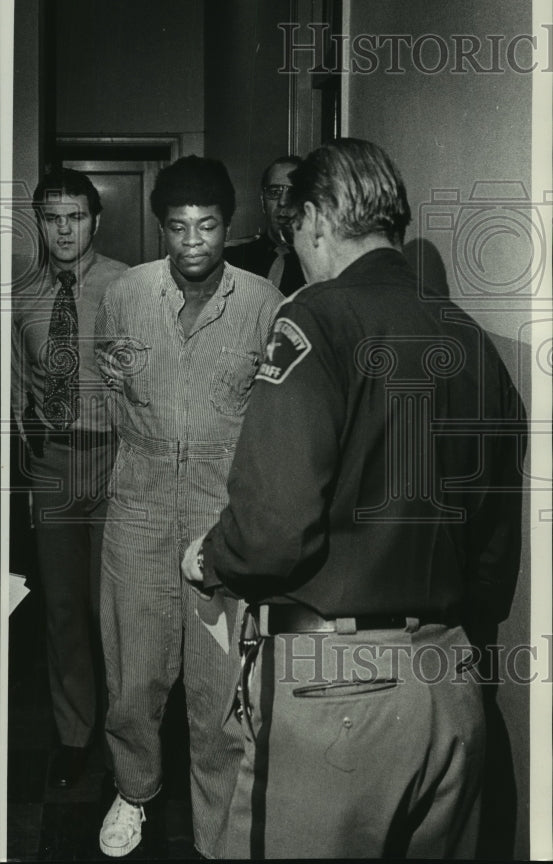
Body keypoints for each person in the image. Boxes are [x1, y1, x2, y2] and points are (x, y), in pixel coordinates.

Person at [182, 139, 527, 859]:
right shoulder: (473, 342)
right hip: (451, 686)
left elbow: (271, 533)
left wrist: (209, 559)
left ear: (312, 220)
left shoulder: (314, 322)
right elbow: (494, 554)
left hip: (337, 693)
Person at [94, 155, 283, 859]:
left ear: (228, 226)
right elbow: (115, 392)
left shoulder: (265, 301)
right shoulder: (125, 294)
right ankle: (134, 790)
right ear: (160, 229)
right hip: (138, 503)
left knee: (218, 679)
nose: (193, 241)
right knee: (134, 671)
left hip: (221, 508)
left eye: (207, 226)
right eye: (177, 228)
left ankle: (219, 824)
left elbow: (272, 418)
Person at [11, 168, 128, 788]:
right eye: (52, 217)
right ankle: (73, 734)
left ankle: (126, 734)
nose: (63, 229)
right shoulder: (22, 296)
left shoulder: (129, 287)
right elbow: (14, 392)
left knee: (110, 607)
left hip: (113, 458)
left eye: (75, 217)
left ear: (95, 221)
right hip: (52, 462)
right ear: (40, 223)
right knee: (60, 608)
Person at [225, 156, 305, 295]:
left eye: (293, 193)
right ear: (263, 202)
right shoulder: (232, 260)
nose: (283, 202)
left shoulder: (321, 264)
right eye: (274, 193)